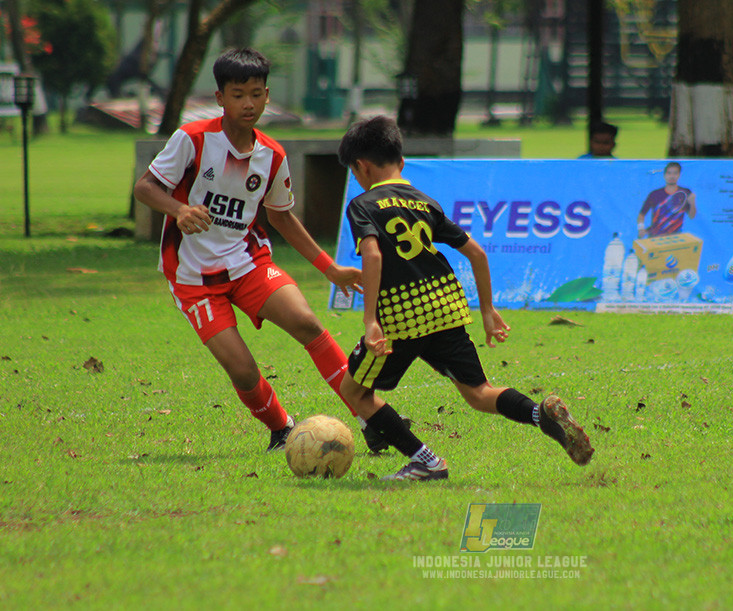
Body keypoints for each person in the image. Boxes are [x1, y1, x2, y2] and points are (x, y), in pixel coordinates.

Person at [335, 115, 594, 481]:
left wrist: (370, 321)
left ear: (360, 167)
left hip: (402, 317)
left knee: (355, 390)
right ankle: (540, 414)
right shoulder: (426, 203)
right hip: (446, 306)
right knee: (478, 392)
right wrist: (487, 310)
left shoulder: (363, 204)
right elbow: (477, 254)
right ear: (401, 162)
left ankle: (426, 461)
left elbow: (374, 256)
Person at [133, 47, 364, 453]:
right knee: (241, 370)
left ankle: (370, 417)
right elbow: (145, 187)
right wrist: (179, 209)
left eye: (256, 94)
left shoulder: (272, 155)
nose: (248, 103)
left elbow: (283, 218)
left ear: (267, 95)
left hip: (247, 263)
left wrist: (331, 270)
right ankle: (281, 428)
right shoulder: (193, 139)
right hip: (194, 279)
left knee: (307, 323)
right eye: (238, 94)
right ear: (220, 97)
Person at [637, 161, 697, 237]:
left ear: (679, 175)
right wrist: (641, 229)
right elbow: (641, 215)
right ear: (664, 175)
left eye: (675, 173)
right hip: (655, 236)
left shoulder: (686, 192)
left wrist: (692, 203)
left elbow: (692, 216)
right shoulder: (654, 194)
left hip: (675, 238)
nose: (672, 176)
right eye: (669, 173)